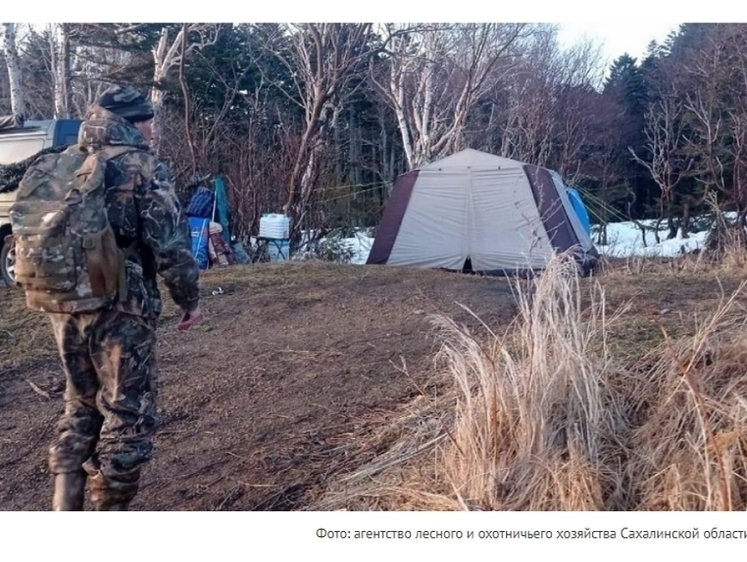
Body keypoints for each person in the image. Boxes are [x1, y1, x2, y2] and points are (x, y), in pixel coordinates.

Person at [48, 84, 202, 510]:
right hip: (121, 304)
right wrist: (188, 299)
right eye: (148, 121)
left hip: (62, 301)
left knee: (79, 405)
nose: (152, 129)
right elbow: (170, 244)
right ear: (133, 123)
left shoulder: (62, 162)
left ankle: (65, 513)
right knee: (127, 413)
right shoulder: (143, 165)